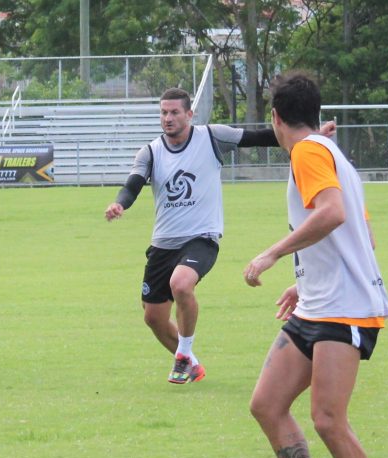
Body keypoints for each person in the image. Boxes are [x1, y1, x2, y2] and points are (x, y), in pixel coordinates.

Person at [105, 87, 335, 384]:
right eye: (163, 112)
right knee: (153, 318)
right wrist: (119, 204)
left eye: (174, 112)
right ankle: (192, 363)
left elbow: (260, 137)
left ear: (189, 114)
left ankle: (183, 355)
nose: (168, 118)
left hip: (202, 238)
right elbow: (133, 185)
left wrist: (311, 136)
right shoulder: (150, 152)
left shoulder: (212, 137)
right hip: (163, 244)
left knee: (181, 284)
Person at [243, 72, 388, 458]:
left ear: (275, 117)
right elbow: (364, 235)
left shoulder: (310, 153)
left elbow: (333, 213)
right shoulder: (325, 152)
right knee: (267, 405)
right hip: (319, 302)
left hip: (345, 308)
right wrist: (305, 279)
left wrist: (272, 254)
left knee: (328, 419)